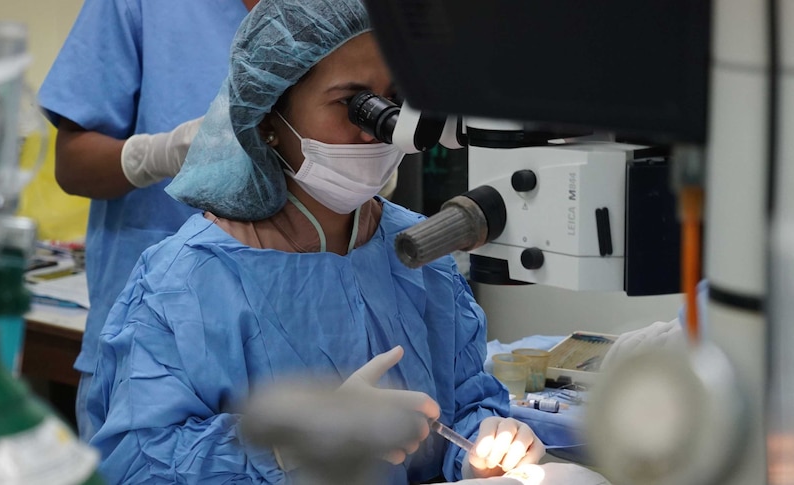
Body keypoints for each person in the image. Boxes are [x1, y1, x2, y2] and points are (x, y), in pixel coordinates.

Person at [86, 0, 548, 483]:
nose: (380, 130)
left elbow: (464, 410)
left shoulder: (420, 256)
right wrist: (294, 445)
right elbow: (138, 464)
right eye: (354, 103)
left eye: (396, 101)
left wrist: (488, 443)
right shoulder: (186, 282)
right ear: (267, 119)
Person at [37, 0, 254, 440]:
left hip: (293, 341)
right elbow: (72, 163)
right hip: (148, 350)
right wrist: (156, 154)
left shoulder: (340, 11)